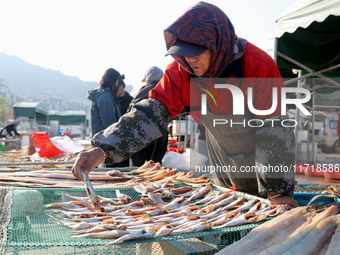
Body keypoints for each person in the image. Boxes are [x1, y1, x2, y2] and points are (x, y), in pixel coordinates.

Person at [73, 2, 297, 207]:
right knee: (231, 208)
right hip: (221, 154)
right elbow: (146, 117)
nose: (190, 61)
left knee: (269, 218)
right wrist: (102, 150)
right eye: (183, 54)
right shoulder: (180, 73)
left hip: (260, 151)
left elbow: (274, 131)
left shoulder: (257, 66)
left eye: (197, 53)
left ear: (217, 44)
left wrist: (277, 191)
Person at [87, 68, 129, 167]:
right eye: (119, 82)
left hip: (105, 146)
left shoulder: (106, 96)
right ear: (115, 81)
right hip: (107, 148)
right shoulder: (105, 97)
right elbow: (110, 126)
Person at [128, 66, 168, 166]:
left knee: (138, 168)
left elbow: (129, 113)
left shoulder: (141, 92)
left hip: (139, 135)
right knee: (155, 168)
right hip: (158, 136)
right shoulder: (165, 90)